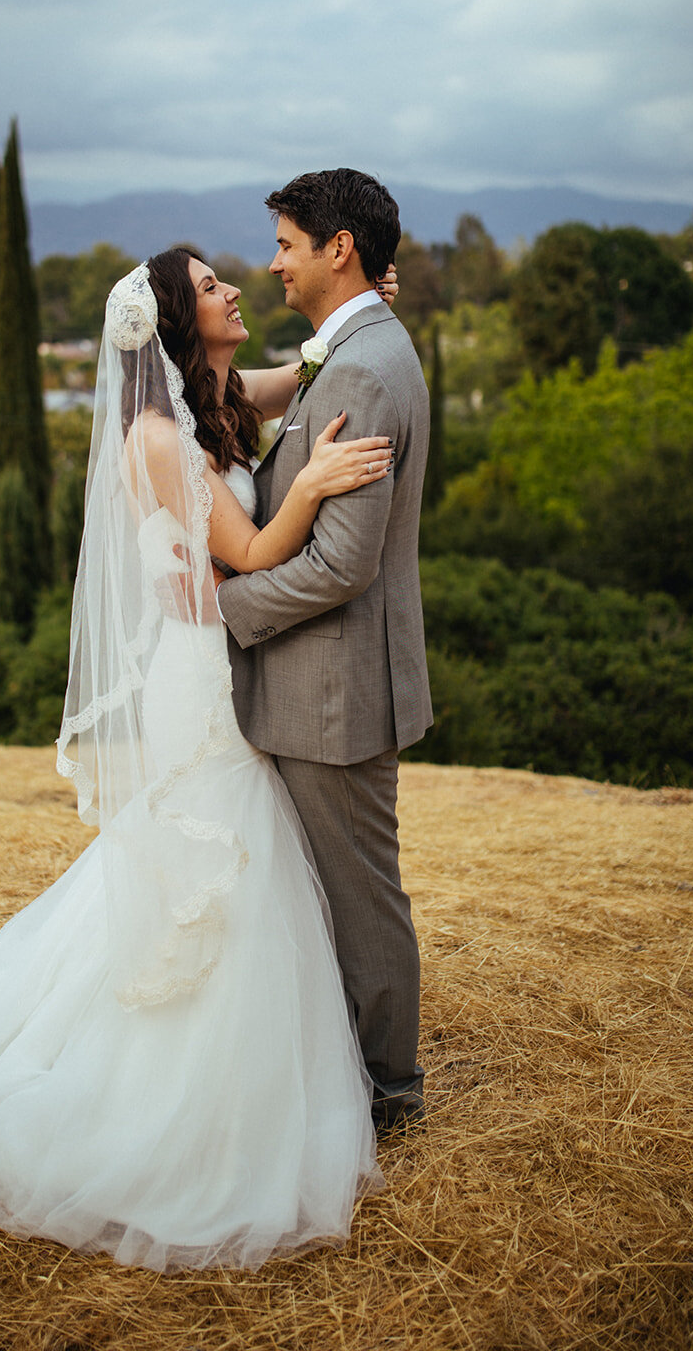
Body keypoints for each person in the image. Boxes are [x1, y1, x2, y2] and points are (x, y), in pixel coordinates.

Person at [0, 243, 400, 1271]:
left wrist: (353, 311)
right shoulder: (158, 437)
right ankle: (179, 1086)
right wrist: (308, 485)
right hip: (198, 676)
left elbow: (289, 375)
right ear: (179, 321)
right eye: (212, 285)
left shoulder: (213, 399)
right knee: (222, 864)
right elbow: (251, 554)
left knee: (235, 865)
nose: (232, 288)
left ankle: (260, 1067)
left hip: (221, 662)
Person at [216, 168, 432, 1134]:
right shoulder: (352, 348)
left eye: (286, 245)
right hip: (325, 686)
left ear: (336, 249)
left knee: (357, 898)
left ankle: (387, 1091)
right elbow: (276, 391)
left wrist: (228, 606)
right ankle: (351, 1070)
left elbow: (343, 565)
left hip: (333, 688)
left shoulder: (359, 368)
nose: (271, 264)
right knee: (330, 890)